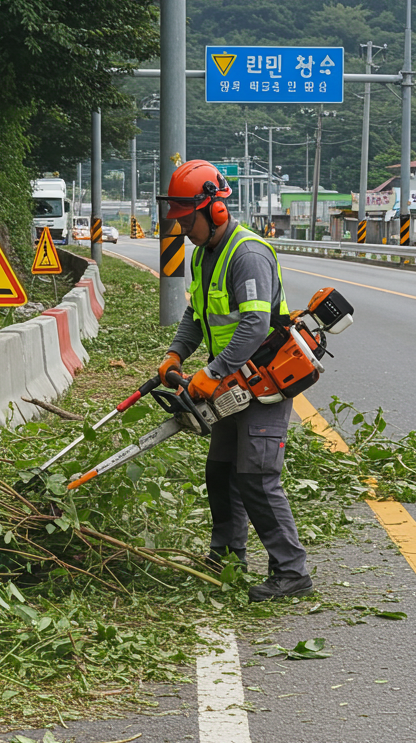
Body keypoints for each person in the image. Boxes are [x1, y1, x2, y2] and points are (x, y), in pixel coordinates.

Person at [156, 160, 313, 602]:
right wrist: (176, 353)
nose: (184, 228)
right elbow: (196, 313)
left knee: (257, 476)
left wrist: (209, 373)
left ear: (216, 211)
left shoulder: (248, 254)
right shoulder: (204, 255)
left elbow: (255, 326)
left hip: (264, 379)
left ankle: (291, 571)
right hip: (231, 381)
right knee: (221, 471)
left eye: (189, 219)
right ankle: (227, 555)